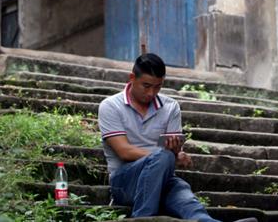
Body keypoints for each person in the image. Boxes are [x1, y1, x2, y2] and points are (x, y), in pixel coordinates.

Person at [98, 53, 257, 222]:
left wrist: (175, 154)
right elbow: (124, 151)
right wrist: (166, 157)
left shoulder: (170, 107)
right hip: (124, 183)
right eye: (146, 86)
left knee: (187, 200)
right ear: (132, 78)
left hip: (163, 179)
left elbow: (170, 153)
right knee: (163, 157)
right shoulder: (110, 106)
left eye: (158, 87)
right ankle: (143, 218)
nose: (151, 93)